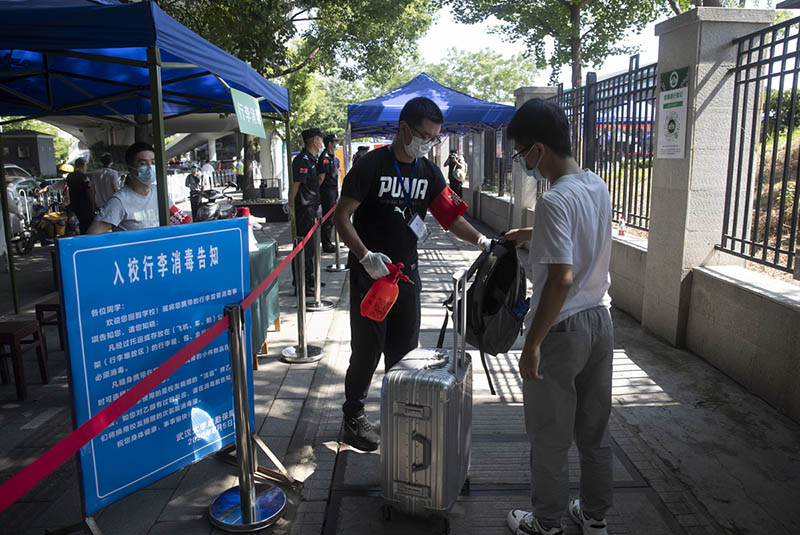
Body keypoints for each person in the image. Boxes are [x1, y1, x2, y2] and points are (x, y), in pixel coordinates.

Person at [333, 97, 494, 452]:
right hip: (372, 277)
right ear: (403, 128)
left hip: (407, 278)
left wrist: (482, 241)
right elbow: (341, 217)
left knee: (405, 352)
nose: (428, 143)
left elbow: (450, 218)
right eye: (424, 135)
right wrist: (364, 256)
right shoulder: (371, 165)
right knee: (367, 350)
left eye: (435, 138)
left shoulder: (428, 171)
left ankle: (397, 414)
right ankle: (353, 416)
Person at [501, 99, 613, 535]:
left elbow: (561, 279)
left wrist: (532, 345)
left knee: (550, 435)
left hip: (562, 330)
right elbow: (585, 232)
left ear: (538, 150)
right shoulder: (595, 185)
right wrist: (530, 233)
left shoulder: (553, 201)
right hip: (600, 322)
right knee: (594, 429)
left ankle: (546, 522)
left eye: (521, 153)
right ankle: (594, 515)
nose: (523, 163)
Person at [87, 142, 160, 233]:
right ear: (130, 168)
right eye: (142, 163)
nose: (150, 167)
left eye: (153, 162)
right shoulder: (119, 201)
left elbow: (178, 218)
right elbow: (92, 235)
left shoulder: (158, 192)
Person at [292, 128, 325, 295]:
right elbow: (296, 186)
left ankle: (310, 279)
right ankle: (301, 283)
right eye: (320, 139)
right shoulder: (302, 160)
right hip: (303, 210)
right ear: (314, 141)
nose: (322, 143)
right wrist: (291, 208)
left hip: (311, 208)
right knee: (303, 247)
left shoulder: (311, 160)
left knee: (311, 247)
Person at [318, 133, 340, 253]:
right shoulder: (325, 157)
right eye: (335, 141)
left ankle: (330, 241)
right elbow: (321, 177)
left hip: (333, 189)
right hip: (327, 191)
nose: (337, 144)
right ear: (330, 143)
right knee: (328, 217)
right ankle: (326, 244)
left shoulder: (333, 157)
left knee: (331, 217)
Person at [66, 157, 95, 234]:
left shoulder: (69, 176)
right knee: (88, 228)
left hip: (75, 205)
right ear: (83, 165)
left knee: (78, 228)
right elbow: (89, 190)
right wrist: (94, 205)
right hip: (85, 206)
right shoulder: (83, 176)